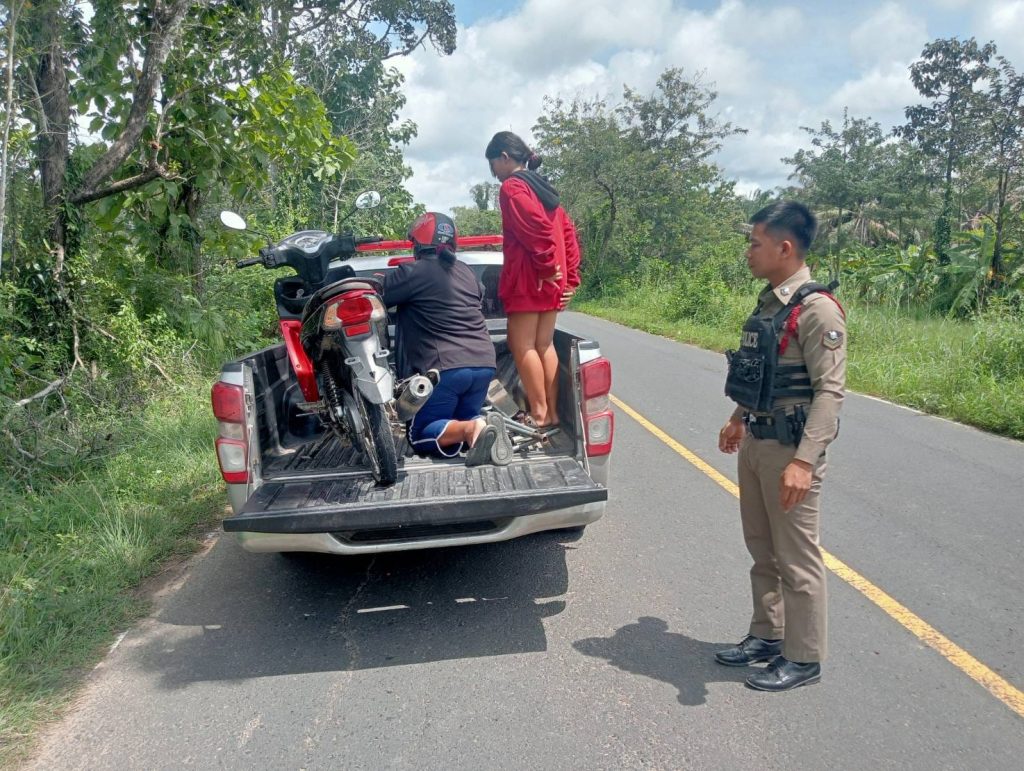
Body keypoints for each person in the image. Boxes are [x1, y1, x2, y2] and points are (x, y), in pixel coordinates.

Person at [716, 201, 846, 692]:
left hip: (790, 451)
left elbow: (829, 393)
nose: (748, 252)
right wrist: (737, 419)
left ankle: (804, 657)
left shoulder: (818, 311)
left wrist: (804, 462)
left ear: (784, 248)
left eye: (755, 243)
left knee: (797, 558)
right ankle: (767, 635)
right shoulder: (770, 305)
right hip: (757, 441)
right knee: (763, 549)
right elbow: (760, 373)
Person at [381, 212, 513, 466]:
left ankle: (472, 428)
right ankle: (478, 426)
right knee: (458, 423)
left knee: (420, 433)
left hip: (445, 369)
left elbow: (379, 296)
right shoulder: (466, 273)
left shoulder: (412, 272)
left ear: (418, 244)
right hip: (484, 364)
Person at [485, 131, 581, 429]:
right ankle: (551, 413)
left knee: (522, 345)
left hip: (530, 280)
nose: (493, 172)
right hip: (550, 280)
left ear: (504, 157)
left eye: (492, 164)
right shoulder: (545, 190)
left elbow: (536, 229)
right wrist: (568, 279)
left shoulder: (513, 187)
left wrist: (545, 267)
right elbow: (568, 236)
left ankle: (539, 414)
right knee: (543, 345)